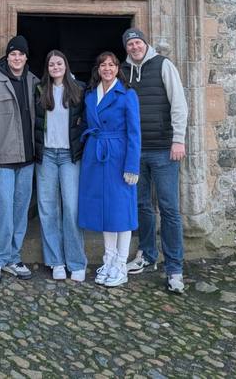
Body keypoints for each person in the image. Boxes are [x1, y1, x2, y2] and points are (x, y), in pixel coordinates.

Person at [120, 28, 187, 294]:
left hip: (163, 150)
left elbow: (178, 103)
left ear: (144, 44)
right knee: (142, 205)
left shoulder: (163, 65)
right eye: (130, 44)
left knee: (169, 209)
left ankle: (174, 268)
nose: (134, 47)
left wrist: (178, 139)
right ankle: (147, 255)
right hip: (136, 152)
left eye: (138, 43)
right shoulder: (123, 71)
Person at [78, 51, 140, 288]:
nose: (107, 69)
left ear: (117, 69)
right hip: (95, 153)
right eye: (103, 65)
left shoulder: (127, 95)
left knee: (120, 210)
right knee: (104, 209)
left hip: (118, 155)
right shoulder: (91, 95)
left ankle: (121, 264)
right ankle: (109, 259)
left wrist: (132, 165)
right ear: (98, 69)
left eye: (111, 65)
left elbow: (135, 132)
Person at [0, 35, 37, 283]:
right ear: (7, 56)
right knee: (2, 209)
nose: (17, 58)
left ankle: (13, 257)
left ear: (26, 57)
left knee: (21, 211)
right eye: (12, 54)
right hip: (2, 161)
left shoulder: (35, 83)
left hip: (28, 160)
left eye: (20, 54)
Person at [34, 50, 87, 282]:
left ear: (65, 65)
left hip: (69, 156)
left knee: (71, 208)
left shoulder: (79, 90)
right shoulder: (39, 91)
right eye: (51, 64)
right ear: (47, 68)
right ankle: (55, 261)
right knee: (48, 209)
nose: (55, 67)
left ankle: (76, 262)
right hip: (46, 154)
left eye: (59, 63)